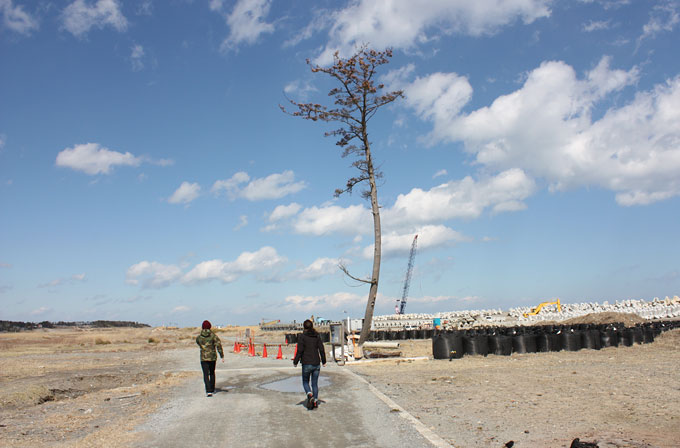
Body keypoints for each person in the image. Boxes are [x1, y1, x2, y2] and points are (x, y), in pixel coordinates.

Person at [293, 319, 327, 409]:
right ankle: (315, 401)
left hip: (306, 363)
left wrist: (295, 362)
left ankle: (309, 394)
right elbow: (321, 349)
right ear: (312, 326)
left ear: (304, 327)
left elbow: (299, 351)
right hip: (316, 363)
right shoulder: (317, 336)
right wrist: (324, 361)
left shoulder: (302, 337)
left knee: (305, 381)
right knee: (314, 384)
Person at [195, 320, 224, 397]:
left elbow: (198, 342)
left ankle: (208, 391)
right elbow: (218, 345)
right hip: (212, 357)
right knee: (211, 373)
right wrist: (222, 355)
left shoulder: (199, 337)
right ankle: (212, 388)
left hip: (203, 358)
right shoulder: (213, 336)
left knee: (205, 374)